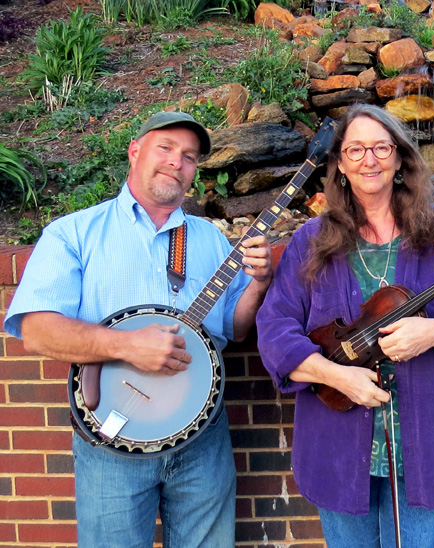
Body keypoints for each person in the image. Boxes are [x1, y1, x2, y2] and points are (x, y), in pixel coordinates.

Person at [3, 111, 274, 547]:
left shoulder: (208, 238)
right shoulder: (74, 233)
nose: (176, 162)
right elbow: (36, 330)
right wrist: (127, 345)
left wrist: (259, 284)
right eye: (165, 148)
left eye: (188, 156)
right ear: (135, 152)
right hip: (114, 443)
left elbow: (236, 329)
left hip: (202, 440)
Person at [256, 104, 434, 548]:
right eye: (356, 149)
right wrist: (334, 375)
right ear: (341, 164)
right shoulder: (311, 240)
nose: (370, 159)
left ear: (400, 158)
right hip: (338, 451)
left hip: (425, 449)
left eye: (381, 147)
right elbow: (274, 327)